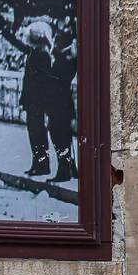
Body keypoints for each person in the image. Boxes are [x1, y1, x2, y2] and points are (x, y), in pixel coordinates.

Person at [1, 19, 58, 177]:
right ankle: (38, 164)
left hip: (37, 101)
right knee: (35, 133)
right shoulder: (38, 53)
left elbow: (45, 81)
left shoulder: (41, 56)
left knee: (37, 133)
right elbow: (20, 46)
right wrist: (6, 34)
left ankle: (42, 166)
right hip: (34, 100)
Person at [48, 29, 79, 182]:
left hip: (59, 105)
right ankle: (68, 165)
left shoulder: (63, 61)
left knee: (58, 135)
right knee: (61, 135)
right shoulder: (65, 60)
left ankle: (64, 169)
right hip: (61, 104)